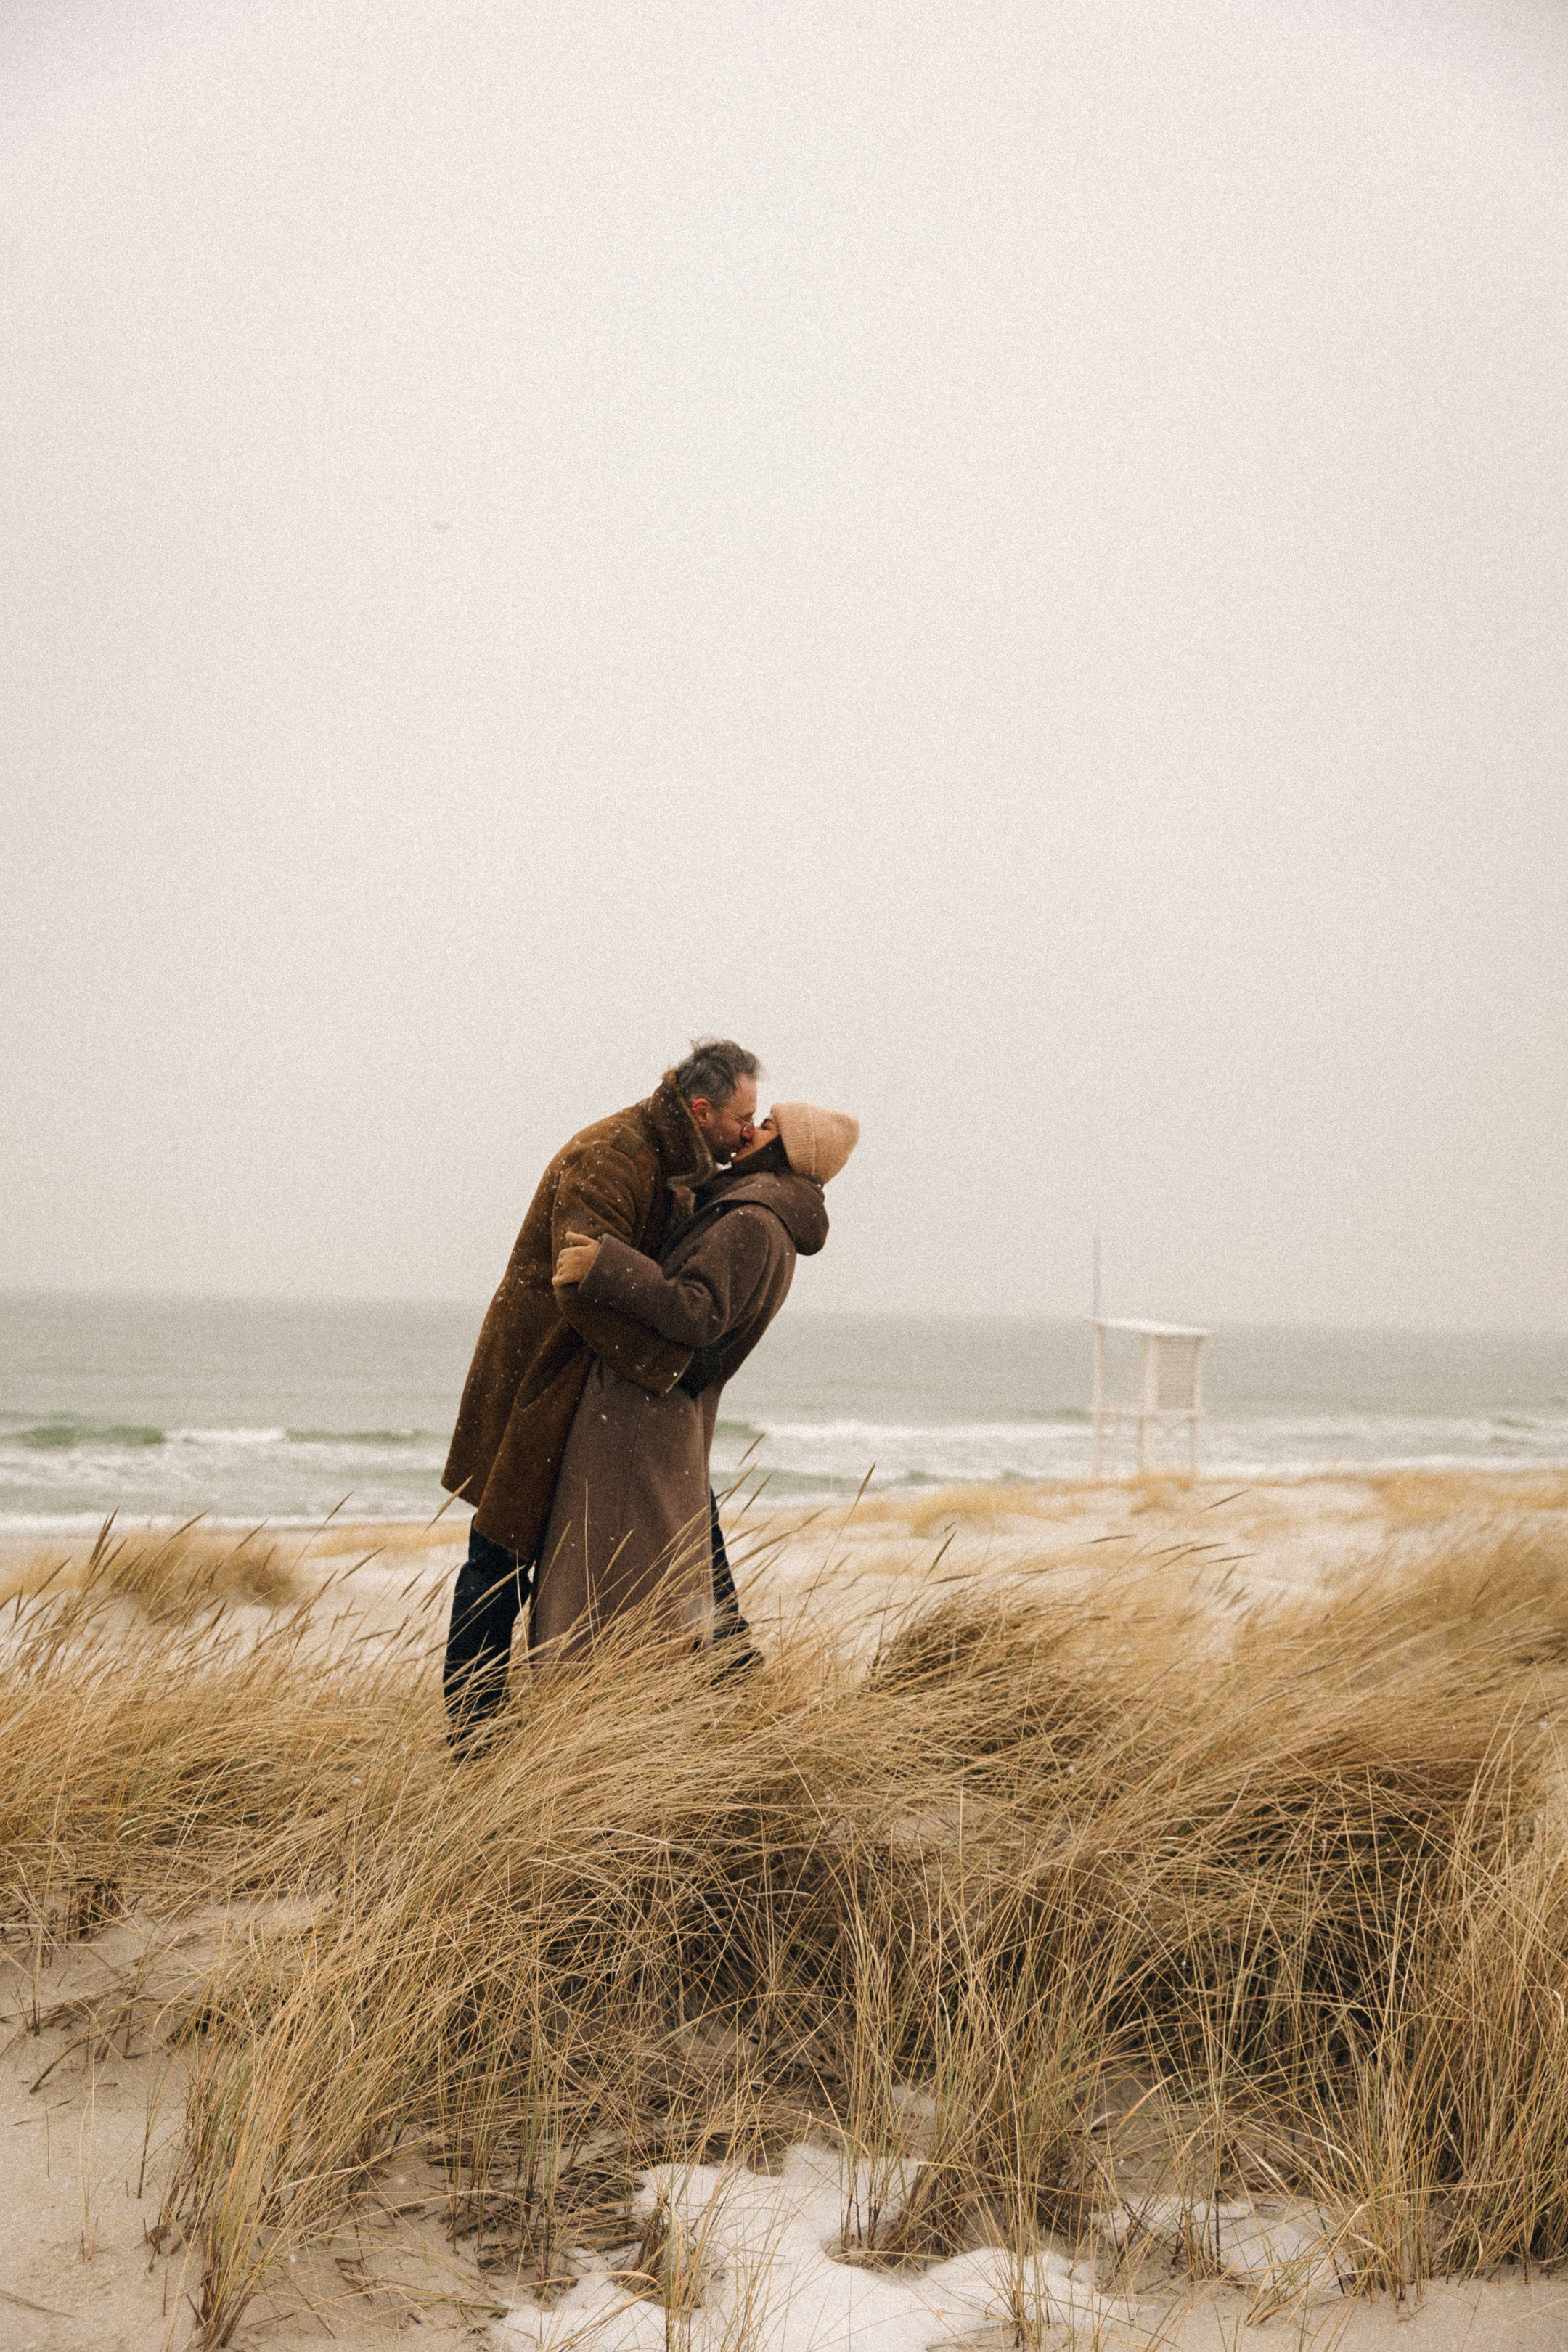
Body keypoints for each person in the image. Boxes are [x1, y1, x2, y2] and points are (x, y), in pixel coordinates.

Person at [441, 1040, 760, 1743]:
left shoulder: (680, 1160)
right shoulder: (615, 1154)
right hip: (542, 1382)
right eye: (743, 1116)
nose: (748, 1131)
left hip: (603, 1393)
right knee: (499, 1559)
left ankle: (739, 1690)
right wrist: (669, 1368)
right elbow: (578, 1284)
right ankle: (473, 1739)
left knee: (691, 1529)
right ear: (700, 1108)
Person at [530, 1101, 860, 1662]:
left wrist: (606, 1266)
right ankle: (717, 1686)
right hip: (664, 1411)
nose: (754, 1131)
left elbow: (697, 1310)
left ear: (791, 1152)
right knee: (667, 1580)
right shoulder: (758, 1211)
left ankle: (607, 1710)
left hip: (645, 1413)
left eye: (770, 1127)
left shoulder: (755, 1220)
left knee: (611, 1587)